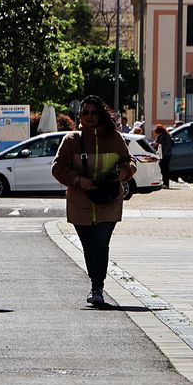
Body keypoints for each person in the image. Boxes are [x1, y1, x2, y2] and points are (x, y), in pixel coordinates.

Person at [52, 96, 135, 308]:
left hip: (109, 201)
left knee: (101, 244)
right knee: (89, 248)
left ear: (101, 114)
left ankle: (98, 287)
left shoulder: (114, 138)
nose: (89, 117)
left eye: (93, 112)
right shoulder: (71, 141)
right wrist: (79, 180)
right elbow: (57, 168)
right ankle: (94, 283)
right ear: (79, 116)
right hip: (80, 203)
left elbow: (129, 161)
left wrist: (124, 172)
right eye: (85, 113)